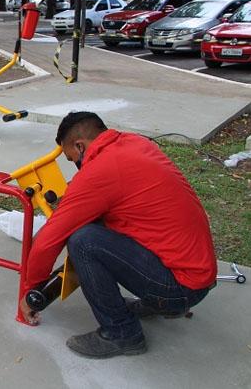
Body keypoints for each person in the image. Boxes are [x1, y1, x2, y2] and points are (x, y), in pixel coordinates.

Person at [18, 111, 216, 358]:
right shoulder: (135, 144)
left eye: (73, 159)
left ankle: (122, 333)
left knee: (84, 240)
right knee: (101, 225)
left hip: (180, 286)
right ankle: (158, 302)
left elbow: (49, 240)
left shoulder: (101, 171)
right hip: (198, 274)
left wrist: (30, 289)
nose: (78, 167)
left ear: (80, 146)